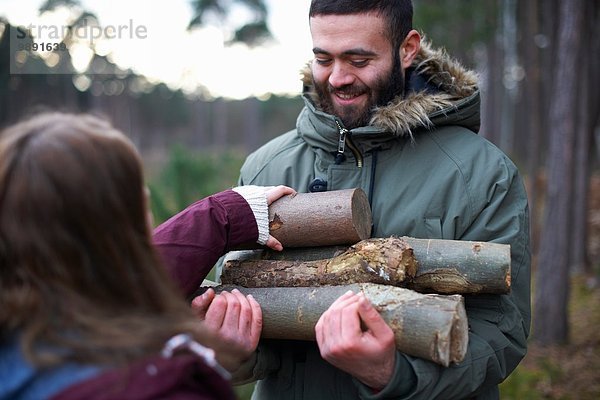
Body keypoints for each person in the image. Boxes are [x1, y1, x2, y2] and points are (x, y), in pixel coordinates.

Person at [202, 0, 530, 398]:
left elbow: (501, 333)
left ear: (407, 48)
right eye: (324, 58)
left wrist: (394, 375)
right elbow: (249, 324)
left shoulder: (480, 174)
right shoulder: (265, 168)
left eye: (358, 59)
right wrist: (233, 353)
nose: (338, 78)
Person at [0, 112, 294, 399]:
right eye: (140, 199)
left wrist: (225, 216)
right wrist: (205, 363)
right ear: (123, 226)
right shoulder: (162, 388)